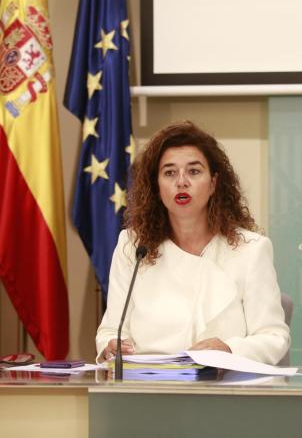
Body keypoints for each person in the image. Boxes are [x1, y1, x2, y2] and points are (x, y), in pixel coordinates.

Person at [96, 122, 290, 365]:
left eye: (194, 171)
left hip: (224, 382)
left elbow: (274, 337)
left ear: (213, 183)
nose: (181, 182)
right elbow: (110, 332)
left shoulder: (251, 249)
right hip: (150, 382)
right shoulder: (133, 245)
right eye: (169, 173)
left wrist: (230, 349)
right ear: (156, 186)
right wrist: (111, 346)